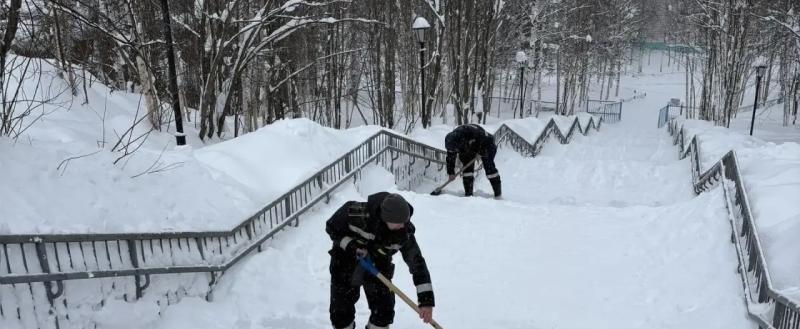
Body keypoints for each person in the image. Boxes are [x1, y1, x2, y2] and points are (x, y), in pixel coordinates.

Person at [326, 192, 435, 329]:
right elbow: (331, 227)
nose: (403, 226)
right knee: (340, 312)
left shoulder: (404, 233)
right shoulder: (357, 214)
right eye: (399, 223)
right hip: (345, 262)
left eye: (405, 221)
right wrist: (352, 246)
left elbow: (417, 264)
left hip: (378, 264)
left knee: (384, 311)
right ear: (385, 218)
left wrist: (426, 301)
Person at [444, 124, 502, 197]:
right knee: (467, 170)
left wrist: (481, 151)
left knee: (489, 169)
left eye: (455, 150)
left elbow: (485, 139)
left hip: (487, 144)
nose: (454, 151)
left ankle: (498, 195)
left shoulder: (470, 133)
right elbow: (450, 157)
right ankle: (468, 195)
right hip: (469, 147)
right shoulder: (451, 141)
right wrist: (451, 172)